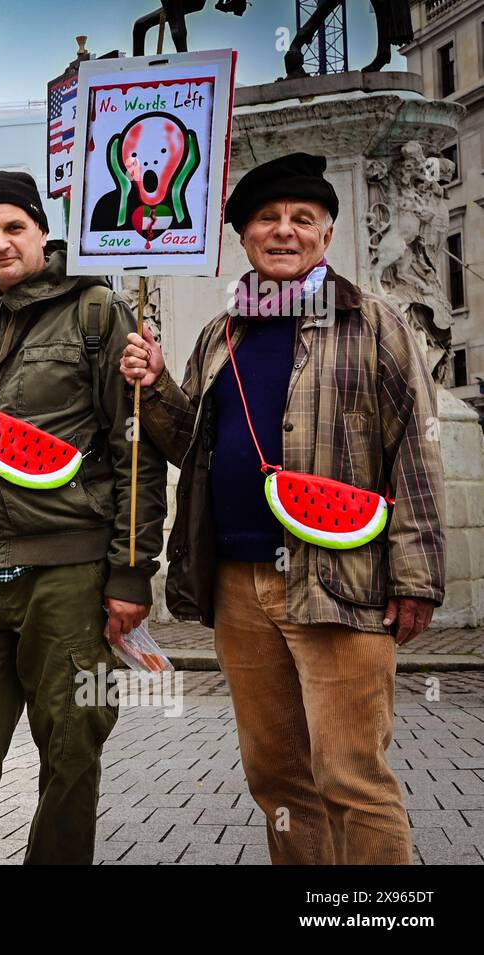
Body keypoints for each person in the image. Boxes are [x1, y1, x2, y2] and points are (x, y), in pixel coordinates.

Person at [120, 153, 445, 864]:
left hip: (340, 578)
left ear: (327, 236)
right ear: (244, 236)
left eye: (303, 218)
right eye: (268, 218)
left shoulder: (376, 323)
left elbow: (416, 451)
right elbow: (190, 446)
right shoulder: (220, 333)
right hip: (239, 582)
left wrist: (417, 579)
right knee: (277, 777)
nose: (285, 231)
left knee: (351, 775)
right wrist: (154, 386)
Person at [0, 170, 167, 864]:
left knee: (72, 750)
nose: (0, 242)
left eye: (13, 227)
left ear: (41, 231)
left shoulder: (97, 311)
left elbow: (134, 449)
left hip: (69, 571)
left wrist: (132, 572)